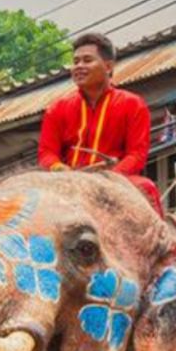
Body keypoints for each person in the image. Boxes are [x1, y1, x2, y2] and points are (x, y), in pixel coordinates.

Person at [38, 32, 161, 214]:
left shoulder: (133, 104)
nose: (79, 66)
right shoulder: (57, 108)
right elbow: (46, 153)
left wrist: (109, 177)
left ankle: (164, 242)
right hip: (68, 181)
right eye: (76, 61)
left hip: (116, 181)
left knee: (146, 187)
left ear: (108, 66)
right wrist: (61, 169)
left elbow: (137, 154)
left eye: (87, 60)